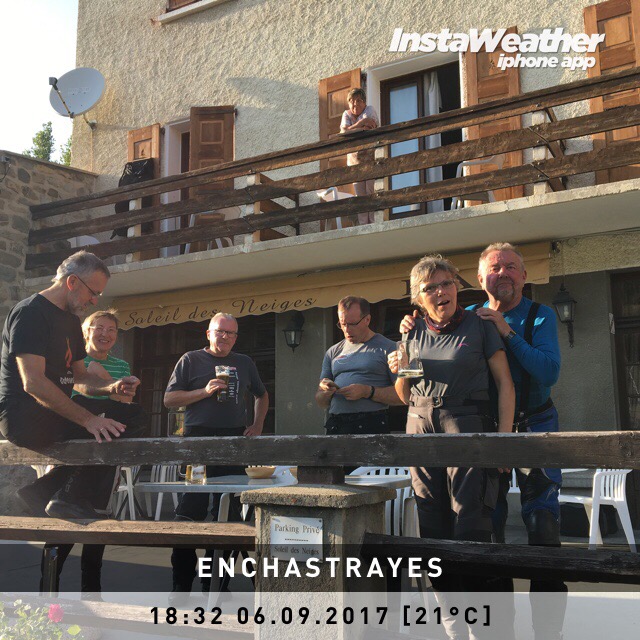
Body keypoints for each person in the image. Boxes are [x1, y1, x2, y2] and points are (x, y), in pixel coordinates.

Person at [389, 254, 514, 640]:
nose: (441, 291)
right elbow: (404, 394)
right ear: (418, 297)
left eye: (446, 283)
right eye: (430, 287)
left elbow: (505, 385)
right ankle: (454, 627)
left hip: (466, 424)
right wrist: (400, 367)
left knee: (469, 526)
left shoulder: (479, 326)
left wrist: (504, 442)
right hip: (419, 428)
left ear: (457, 286)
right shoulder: (411, 331)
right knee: (432, 529)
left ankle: (481, 628)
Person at [0, 251, 143, 521]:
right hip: (23, 417)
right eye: (93, 292)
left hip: (54, 413)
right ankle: (65, 496)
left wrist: (111, 386)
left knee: (131, 416)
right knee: (104, 427)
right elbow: (34, 382)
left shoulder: (70, 321)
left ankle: (50, 492)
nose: (95, 300)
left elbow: (80, 377)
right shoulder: (30, 313)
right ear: (72, 282)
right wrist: (88, 419)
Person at [474, 242, 565, 640]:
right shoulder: (469, 317)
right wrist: (412, 329)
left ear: (525, 276)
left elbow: (548, 372)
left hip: (537, 427)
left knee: (543, 527)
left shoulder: (540, 315)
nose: (504, 273)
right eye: (495, 267)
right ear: (481, 278)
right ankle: (498, 632)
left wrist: (506, 331)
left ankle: (547, 632)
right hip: (488, 429)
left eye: (512, 266)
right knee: (489, 529)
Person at [38, 309, 146, 597]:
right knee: (62, 527)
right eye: (99, 327)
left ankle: (92, 594)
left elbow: (123, 406)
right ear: (85, 332)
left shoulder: (121, 365)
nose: (105, 334)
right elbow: (66, 405)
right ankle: (47, 594)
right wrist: (100, 380)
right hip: (76, 453)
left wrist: (107, 379)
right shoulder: (72, 363)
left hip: (106, 454)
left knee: (97, 522)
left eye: (111, 329)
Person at [164, 312, 269, 605]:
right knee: (188, 515)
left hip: (233, 442)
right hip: (197, 441)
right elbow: (169, 399)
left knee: (229, 516)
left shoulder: (244, 362)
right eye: (220, 331)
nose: (225, 337)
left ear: (236, 337)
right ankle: (181, 587)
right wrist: (204, 391)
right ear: (208, 333)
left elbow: (262, 395)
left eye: (230, 333)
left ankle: (215, 587)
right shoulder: (190, 359)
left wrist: (257, 425)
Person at [316, 296, 402, 437]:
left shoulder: (389, 348)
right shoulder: (333, 351)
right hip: (337, 424)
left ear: (367, 319)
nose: (347, 330)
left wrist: (368, 392)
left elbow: (403, 396)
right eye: (342, 324)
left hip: (371, 422)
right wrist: (325, 392)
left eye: (352, 324)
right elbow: (320, 401)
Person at [340, 87, 379, 224]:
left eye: (358, 100)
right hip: (354, 161)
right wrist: (361, 123)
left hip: (370, 159)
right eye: (351, 101)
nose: (355, 104)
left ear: (364, 102)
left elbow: (370, 127)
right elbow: (343, 132)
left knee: (370, 191)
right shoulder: (346, 114)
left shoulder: (369, 110)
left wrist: (352, 128)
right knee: (360, 195)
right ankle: (363, 225)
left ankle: (372, 223)